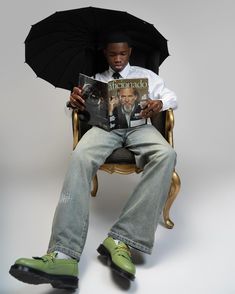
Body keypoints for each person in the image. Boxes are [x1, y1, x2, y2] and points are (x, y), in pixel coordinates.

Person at [9, 32, 178, 289]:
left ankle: (122, 240)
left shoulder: (147, 76)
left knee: (167, 154)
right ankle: (63, 255)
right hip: (104, 130)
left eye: (122, 53)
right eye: (113, 54)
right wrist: (73, 103)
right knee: (79, 156)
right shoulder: (97, 80)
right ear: (105, 54)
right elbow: (75, 112)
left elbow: (172, 97)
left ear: (129, 52)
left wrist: (159, 103)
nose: (118, 59)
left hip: (139, 127)